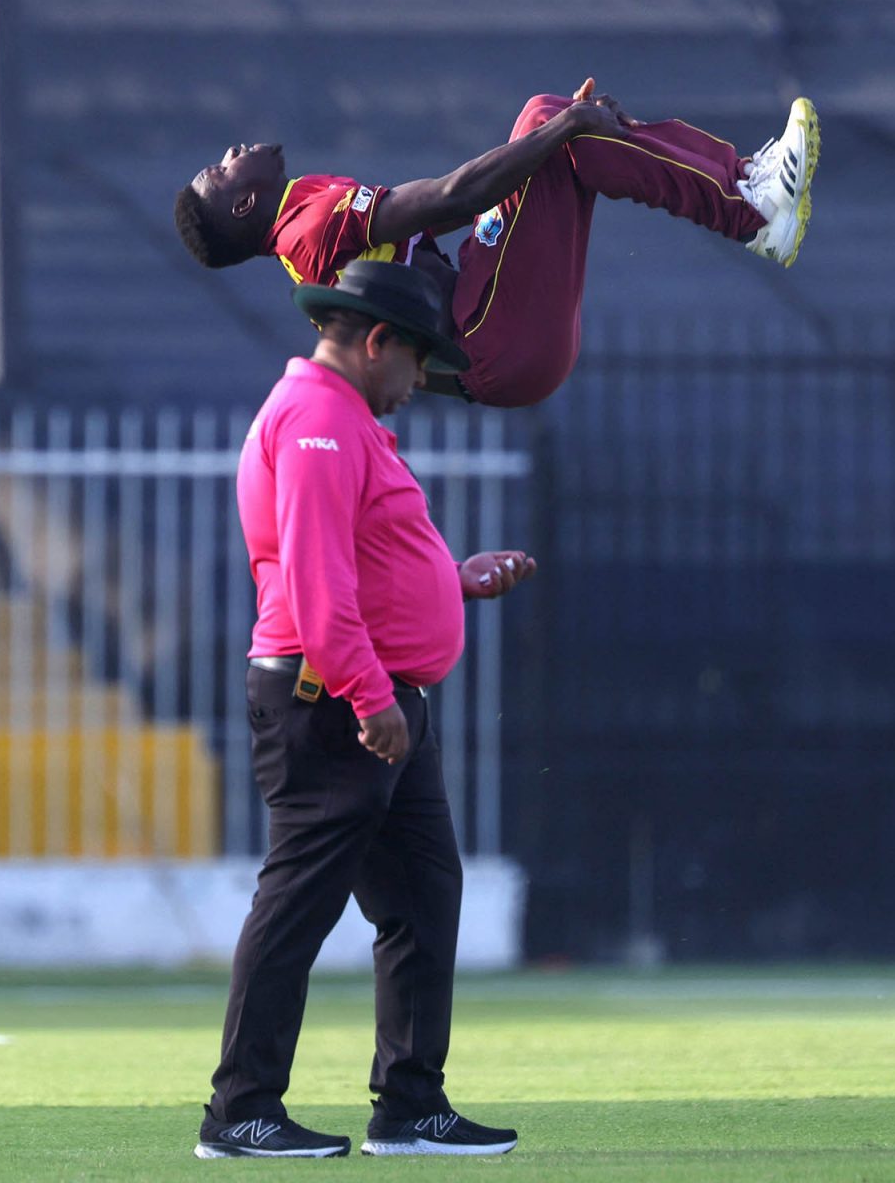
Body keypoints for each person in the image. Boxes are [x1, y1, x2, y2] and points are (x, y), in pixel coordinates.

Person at [194, 258, 536, 1161]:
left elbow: (363, 559)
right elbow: (315, 581)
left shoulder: (343, 418)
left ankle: (412, 1106)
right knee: (299, 899)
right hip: (335, 697)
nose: (420, 380)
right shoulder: (317, 420)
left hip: (371, 693)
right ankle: (241, 1112)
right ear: (376, 341)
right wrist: (370, 695)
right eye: (417, 359)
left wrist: (446, 583)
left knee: (424, 894)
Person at [174, 79, 819, 407]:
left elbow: (444, 218)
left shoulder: (301, 210)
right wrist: (563, 131)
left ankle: (745, 182)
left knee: (548, 118)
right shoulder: (310, 229)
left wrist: (556, 137)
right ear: (242, 204)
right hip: (494, 341)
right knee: (556, 127)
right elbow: (456, 197)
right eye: (218, 168)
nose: (228, 153)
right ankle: (755, 213)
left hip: (489, 322)